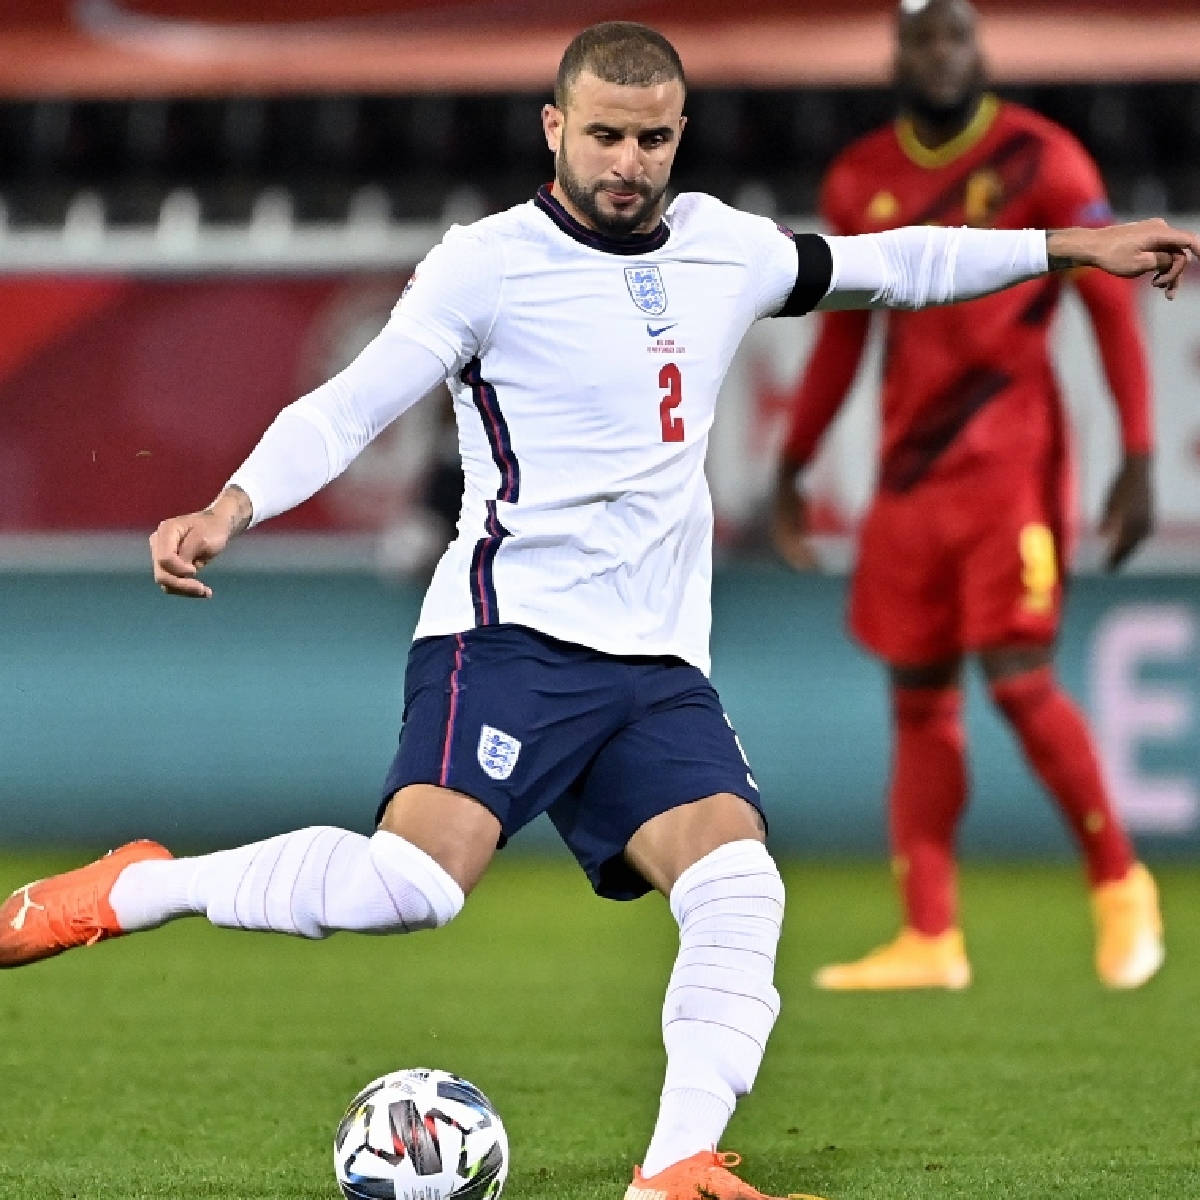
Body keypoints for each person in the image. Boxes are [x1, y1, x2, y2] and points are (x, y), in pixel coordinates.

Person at [3, 20, 1195, 1200]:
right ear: (556, 128)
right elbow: (353, 404)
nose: (629, 162)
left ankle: (674, 1163)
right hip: (509, 634)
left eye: (654, 139)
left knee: (741, 886)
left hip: (657, 668)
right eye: (608, 135)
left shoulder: (725, 249)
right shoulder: (486, 262)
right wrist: (233, 506)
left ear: (681, 138)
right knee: (410, 888)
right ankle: (137, 887)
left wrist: (1068, 249)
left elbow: (896, 266)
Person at [772, 0, 1169, 993]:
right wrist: (792, 464)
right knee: (916, 697)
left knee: (1022, 677)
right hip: (908, 477)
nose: (941, 52)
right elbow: (839, 334)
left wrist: (1139, 451)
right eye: (923, 36)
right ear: (899, 51)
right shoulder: (860, 176)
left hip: (1013, 464)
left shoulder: (1046, 161)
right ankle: (929, 936)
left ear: (979, 47)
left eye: (956, 33)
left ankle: (1122, 886)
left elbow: (1111, 311)